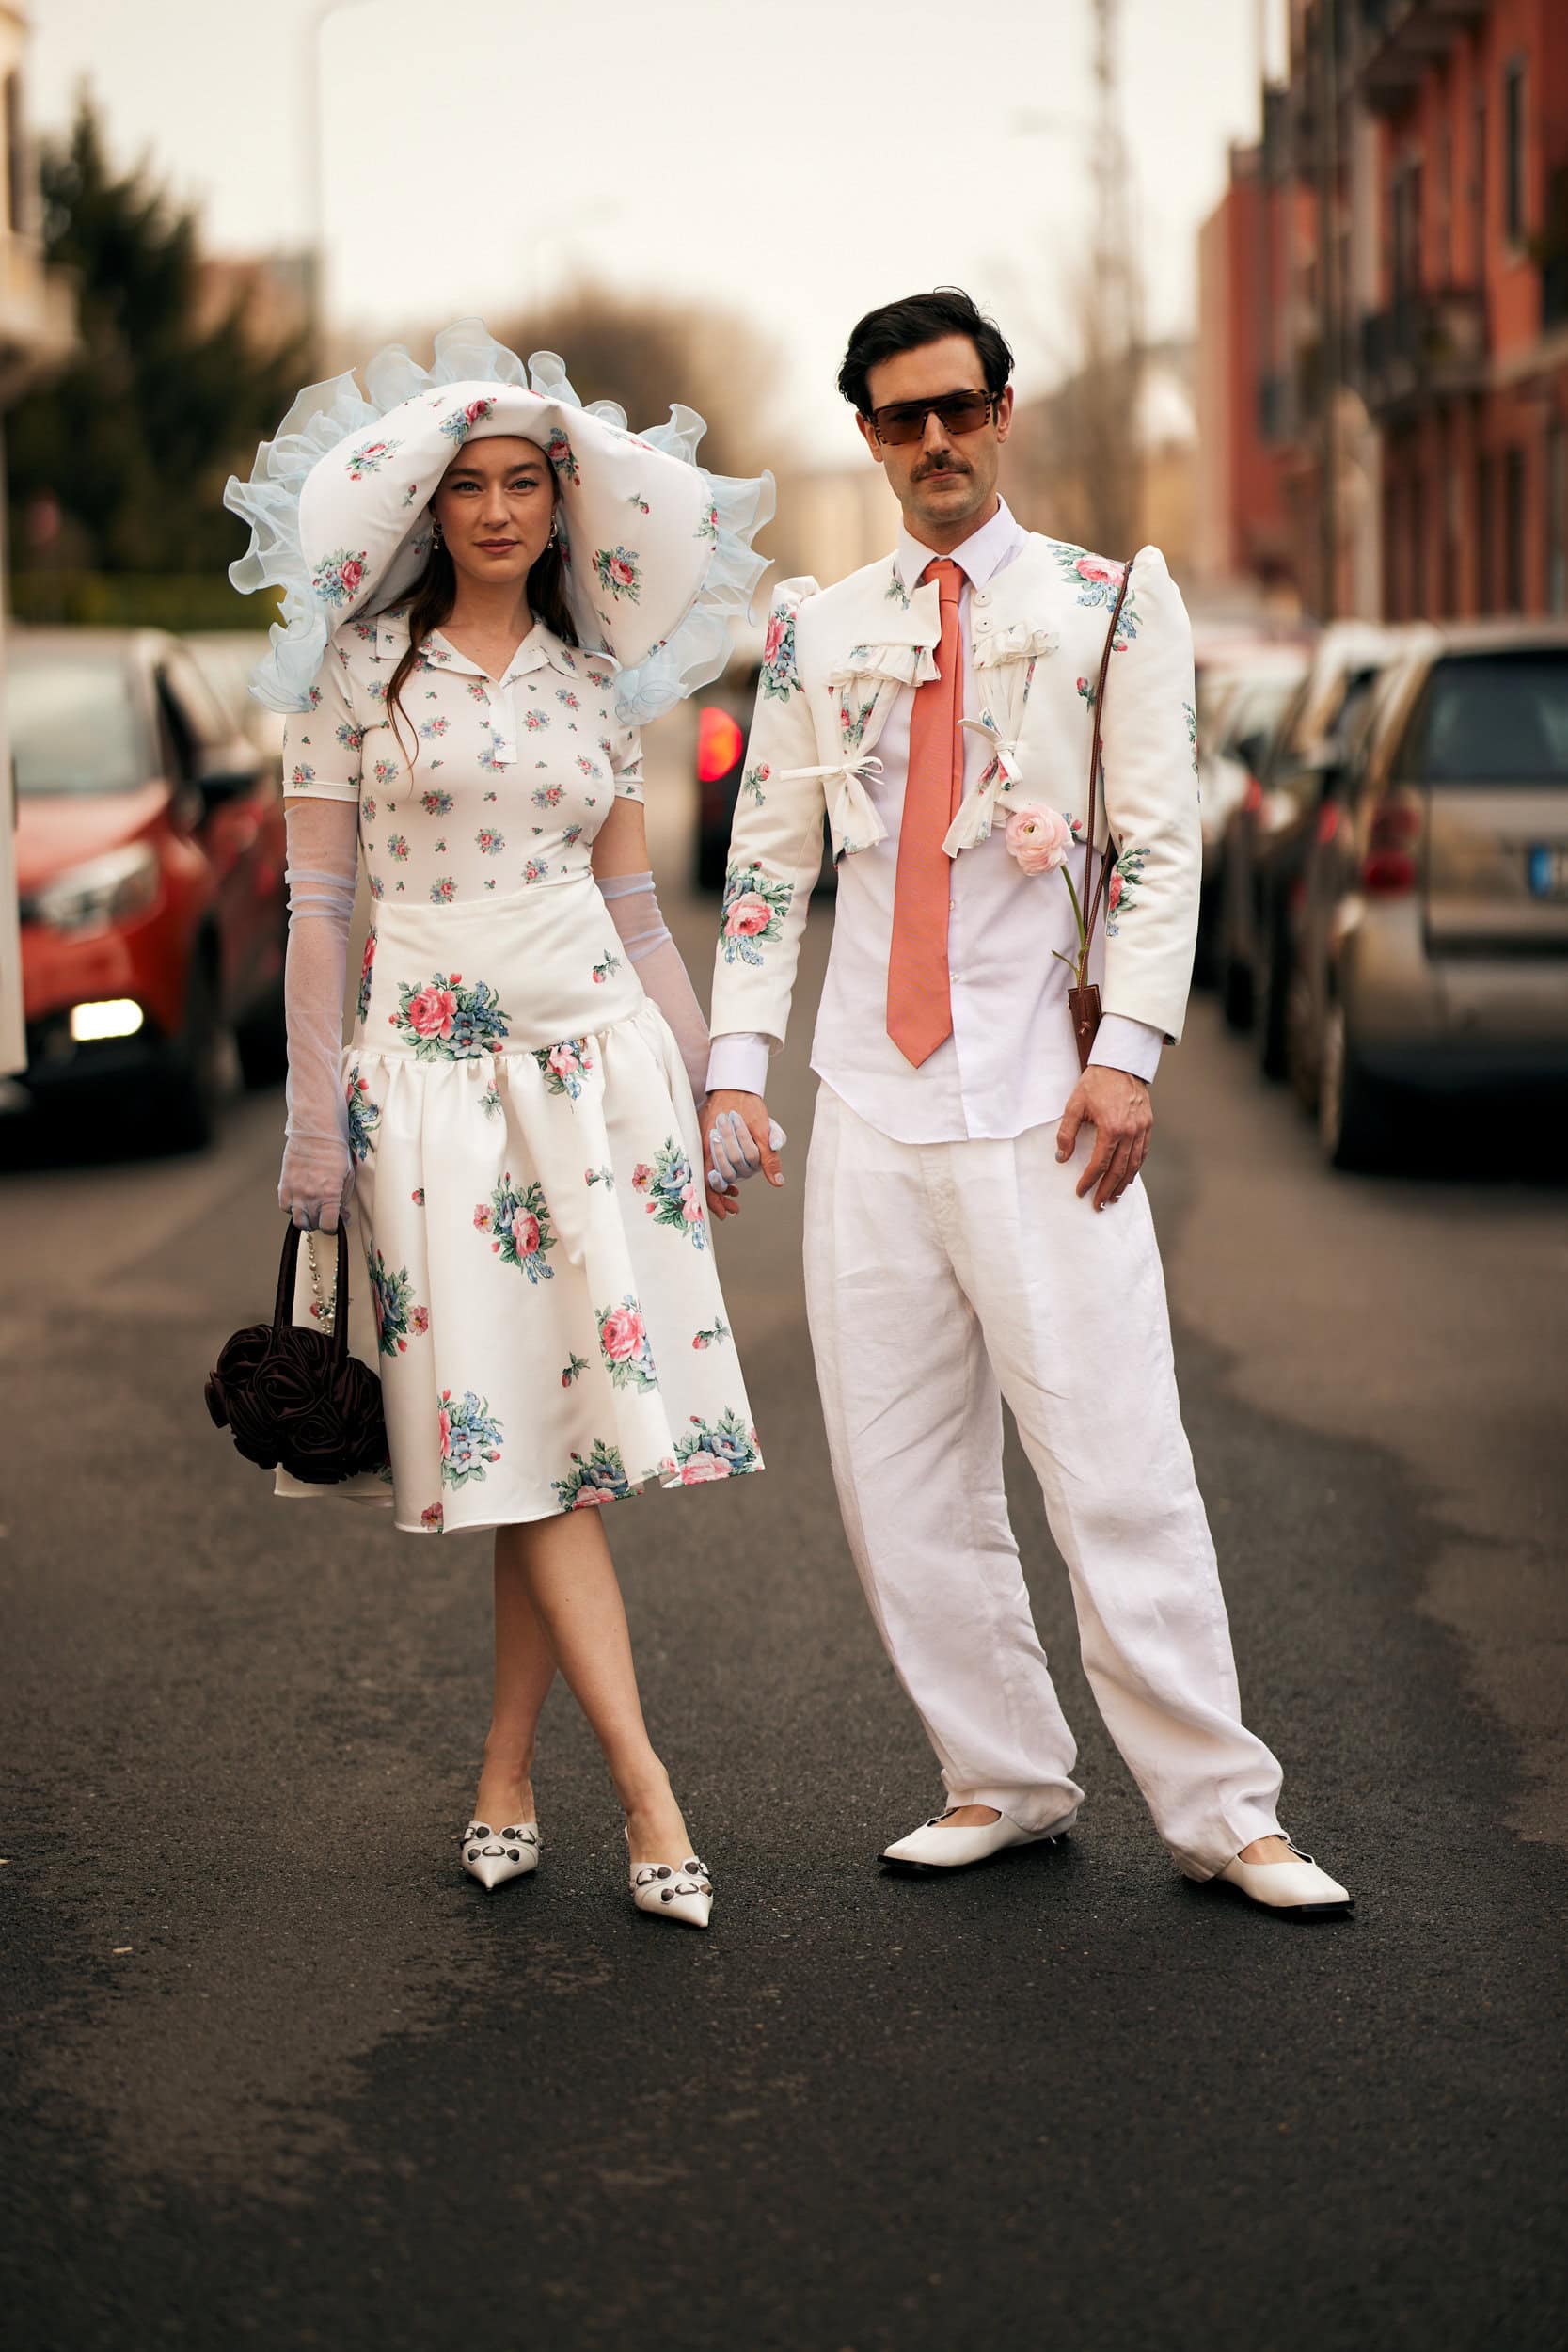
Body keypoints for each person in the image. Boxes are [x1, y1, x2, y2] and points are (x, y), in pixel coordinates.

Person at [699, 289, 1351, 1919]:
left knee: (1115, 1458)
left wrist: (1130, 1050)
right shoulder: (814, 630)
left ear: (1004, 411)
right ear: (866, 433)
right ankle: (1000, 1775)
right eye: (900, 418)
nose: (933, 442)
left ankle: (1225, 1812)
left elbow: (1161, 843)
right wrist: (736, 1071)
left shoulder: (1110, 605)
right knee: (900, 1473)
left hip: (1043, 1104)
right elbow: (769, 873)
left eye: (958, 409)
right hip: (869, 1104)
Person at [225, 323, 774, 1930]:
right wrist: (313, 1127)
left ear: (562, 502)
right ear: (425, 507)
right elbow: (317, 913)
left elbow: (641, 910)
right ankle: (651, 1797)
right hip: (428, 1092)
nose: (493, 510)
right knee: (508, 1440)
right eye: (463, 485)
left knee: (558, 1451)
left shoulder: (602, 683)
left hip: (595, 1076)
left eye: (521, 482)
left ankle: (505, 1775)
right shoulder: (347, 675)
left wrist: (716, 1081)